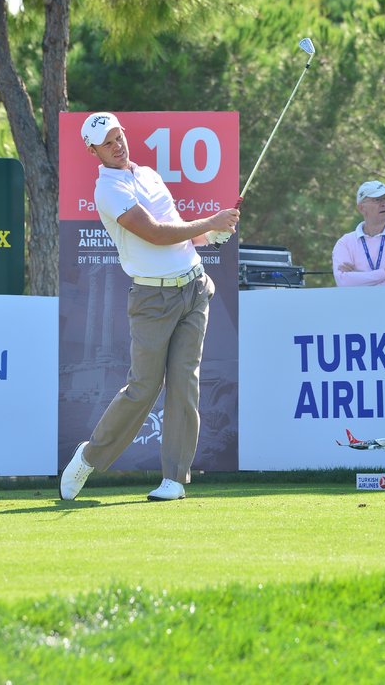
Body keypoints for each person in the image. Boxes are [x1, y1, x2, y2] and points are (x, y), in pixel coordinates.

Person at [60, 112, 240, 502]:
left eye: (119, 136)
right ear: (93, 151)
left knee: (184, 384)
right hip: (152, 300)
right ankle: (89, 456)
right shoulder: (108, 190)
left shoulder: (149, 175)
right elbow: (155, 234)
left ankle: (174, 478)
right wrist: (211, 219)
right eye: (107, 143)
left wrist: (211, 235)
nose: (117, 145)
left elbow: (177, 231)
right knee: (143, 388)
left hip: (194, 288)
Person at [332, 179, 385, 287]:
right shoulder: (345, 243)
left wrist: (359, 278)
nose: (384, 204)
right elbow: (343, 282)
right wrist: (384, 274)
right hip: (365, 300)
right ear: (361, 208)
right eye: (377, 200)